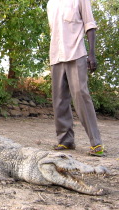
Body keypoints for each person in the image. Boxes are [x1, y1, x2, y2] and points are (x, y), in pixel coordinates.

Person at [47, 0, 104, 156]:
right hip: (56, 56)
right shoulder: (51, 3)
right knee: (59, 100)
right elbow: (55, 31)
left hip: (77, 53)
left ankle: (96, 142)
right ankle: (65, 140)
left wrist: (91, 54)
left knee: (81, 95)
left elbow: (90, 25)